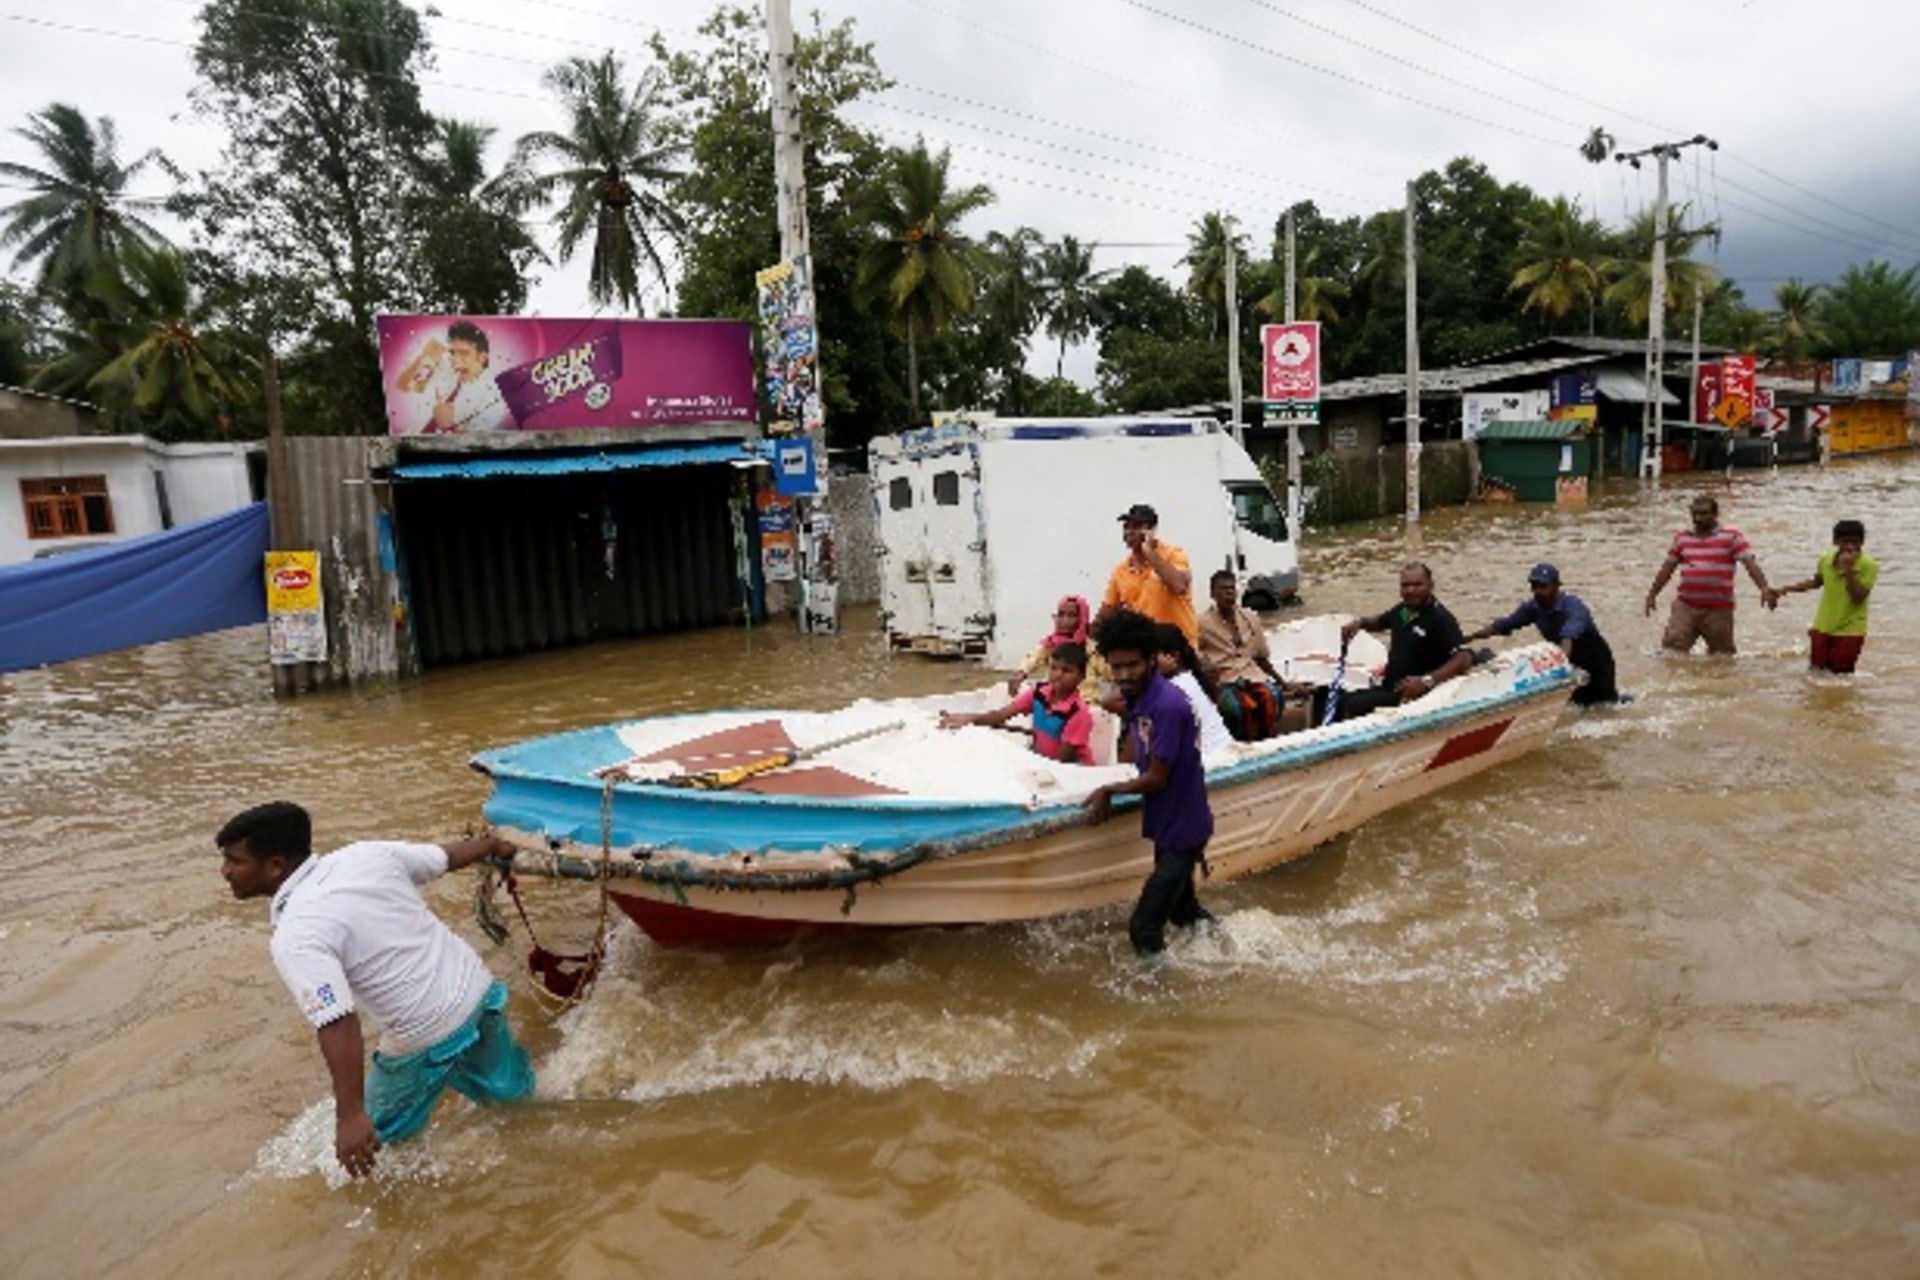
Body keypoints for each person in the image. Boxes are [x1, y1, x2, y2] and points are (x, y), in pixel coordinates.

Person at [217, 801, 534, 1179]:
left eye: (234, 861)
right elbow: (445, 858)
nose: (225, 872)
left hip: (424, 1031)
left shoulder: (297, 933)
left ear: (274, 866)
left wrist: (350, 1116)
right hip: (477, 991)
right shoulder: (365, 854)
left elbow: (336, 1021)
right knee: (512, 1101)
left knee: (367, 1158)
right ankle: (534, 1152)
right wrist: (492, 846)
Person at [1082, 608, 1216, 955]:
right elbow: (1116, 702)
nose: (1124, 675)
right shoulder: (1140, 697)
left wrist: (1109, 789)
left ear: (1152, 660)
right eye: (1117, 667)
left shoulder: (1167, 706)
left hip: (1183, 830)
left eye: (1133, 665)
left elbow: (1157, 778)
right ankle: (1226, 950)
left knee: (1143, 928)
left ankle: (1163, 987)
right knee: (1183, 912)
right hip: (1169, 823)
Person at [1465, 563, 1622, 706]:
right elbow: (1503, 625)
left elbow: (1568, 637)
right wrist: (1469, 638)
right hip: (1569, 660)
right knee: (1576, 706)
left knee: (1606, 706)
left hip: (1596, 661)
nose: (1538, 591)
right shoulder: (1533, 607)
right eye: (1534, 586)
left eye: (1543, 586)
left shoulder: (1573, 607)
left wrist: (1559, 663)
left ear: (1556, 586)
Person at [1335, 562, 1473, 721]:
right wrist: (1359, 623)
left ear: (1431, 586)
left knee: (1352, 705)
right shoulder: (1402, 610)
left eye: (1417, 585)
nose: (1410, 590)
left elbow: (1464, 658)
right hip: (1390, 686)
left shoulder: (1440, 618)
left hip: (1415, 695)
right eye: (1405, 585)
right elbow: (1380, 622)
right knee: (1338, 699)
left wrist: (1426, 681)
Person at [1644, 494, 1774, 655]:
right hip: (1686, 605)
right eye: (1695, 513)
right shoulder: (1682, 538)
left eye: (1703, 514)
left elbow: (1750, 563)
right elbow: (1667, 568)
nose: (1698, 518)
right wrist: (1652, 594)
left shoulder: (1732, 536)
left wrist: (1764, 588)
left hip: (1719, 609)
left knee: (1722, 657)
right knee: (1671, 651)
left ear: (1715, 514)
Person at [941, 643, 1096, 764]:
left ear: (1081, 677)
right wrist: (967, 719)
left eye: (1067, 670)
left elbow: (1062, 761)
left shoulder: (1078, 713)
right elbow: (1000, 715)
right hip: (1043, 759)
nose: (1058, 674)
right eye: (1054, 668)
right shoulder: (1039, 693)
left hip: (1072, 770)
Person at [1766, 519, 1877, 673]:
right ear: (1835, 542)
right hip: (1823, 626)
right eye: (1845, 542)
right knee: (1815, 673)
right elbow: (1817, 582)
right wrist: (1784, 590)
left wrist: (1849, 571)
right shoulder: (1826, 560)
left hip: (1851, 631)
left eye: (1855, 542)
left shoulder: (1868, 565)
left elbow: (1858, 597)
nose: (1850, 547)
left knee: (1841, 677)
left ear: (1862, 543)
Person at [1197, 569, 1288, 740]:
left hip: (1251, 674)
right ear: (1213, 594)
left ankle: (1269, 740)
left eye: (1232, 588)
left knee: (1274, 696)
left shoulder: (1250, 617)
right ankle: (1238, 744)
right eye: (1223, 589)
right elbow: (1196, 656)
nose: (1229, 592)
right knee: (1233, 709)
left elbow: (1261, 656)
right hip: (1224, 679)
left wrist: (1283, 683)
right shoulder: (1202, 623)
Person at [1101, 503, 1198, 646]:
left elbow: (1179, 585)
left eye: (1136, 526)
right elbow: (1108, 610)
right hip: (1147, 648)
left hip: (1179, 646)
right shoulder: (1120, 570)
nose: (1129, 532)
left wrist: (1148, 551)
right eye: (1126, 527)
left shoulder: (1173, 554)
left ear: (1151, 530)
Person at [1006, 594, 1112, 700]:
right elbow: (1034, 658)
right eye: (1061, 615)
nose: (1065, 621)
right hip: (1056, 701)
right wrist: (1021, 672)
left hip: (1086, 702)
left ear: (1082, 619)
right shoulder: (1050, 644)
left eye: (1071, 616)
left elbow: (1110, 673)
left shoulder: (1092, 649)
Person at [1154, 622, 1235, 756]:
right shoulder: (1192, 677)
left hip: (1210, 757)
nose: (1149, 663)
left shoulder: (1173, 688)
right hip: (1224, 749)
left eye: (1152, 657)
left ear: (1173, 657)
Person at [427, 320, 513, 433]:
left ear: (482, 358)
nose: (455, 359)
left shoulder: (493, 397)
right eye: (452, 353)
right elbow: (407, 385)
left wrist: (449, 424)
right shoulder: (449, 374)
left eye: (464, 353)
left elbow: (479, 439)